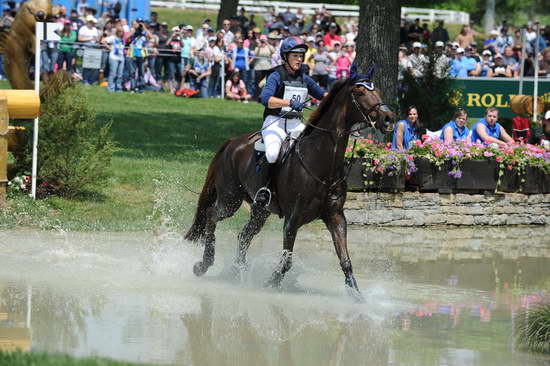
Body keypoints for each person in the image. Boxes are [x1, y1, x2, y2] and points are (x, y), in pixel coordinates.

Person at [255, 37, 327, 207]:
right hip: (275, 121)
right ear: (285, 56)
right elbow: (265, 99)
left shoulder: (304, 77)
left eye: (301, 56)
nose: (299, 59)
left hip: (296, 123)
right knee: (273, 153)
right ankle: (264, 190)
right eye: (295, 55)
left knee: (313, 148)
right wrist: (288, 103)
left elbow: (323, 95)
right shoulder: (275, 75)